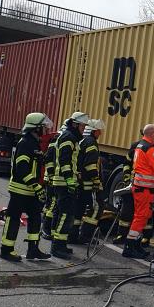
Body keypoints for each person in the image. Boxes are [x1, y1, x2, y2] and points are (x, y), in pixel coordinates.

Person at [0, 113, 53, 262]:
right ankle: (6, 250)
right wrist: (36, 186)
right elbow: (22, 168)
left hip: (32, 190)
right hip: (20, 190)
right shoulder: (25, 143)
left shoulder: (35, 143)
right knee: (14, 219)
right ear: (36, 128)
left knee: (36, 218)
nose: (46, 129)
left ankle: (33, 250)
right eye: (43, 127)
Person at [122, 123, 154, 258]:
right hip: (144, 188)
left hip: (142, 187)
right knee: (141, 217)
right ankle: (130, 246)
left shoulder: (140, 145)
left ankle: (134, 244)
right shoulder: (149, 148)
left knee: (142, 216)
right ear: (151, 134)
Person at [50, 111, 89, 259]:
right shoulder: (69, 138)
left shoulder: (71, 137)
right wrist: (70, 180)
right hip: (63, 182)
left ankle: (61, 244)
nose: (84, 129)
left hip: (64, 181)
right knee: (65, 215)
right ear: (75, 124)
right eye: (82, 126)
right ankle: (56, 247)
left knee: (65, 214)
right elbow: (65, 161)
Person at [70, 119, 106, 245]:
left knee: (78, 208)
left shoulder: (83, 141)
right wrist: (96, 181)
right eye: (98, 131)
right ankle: (86, 236)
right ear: (94, 131)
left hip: (80, 183)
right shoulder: (91, 143)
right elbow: (90, 165)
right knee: (97, 207)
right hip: (89, 184)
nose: (100, 133)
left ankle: (72, 235)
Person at [40, 133, 58, 240]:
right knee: (52, 203)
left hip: (50, 178)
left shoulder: (55, 141)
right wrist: (51, 176)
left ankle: (45, 226)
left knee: (49, 203)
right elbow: (50, 161)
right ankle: (46, 229)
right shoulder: (56, 142)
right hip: (52, 178)